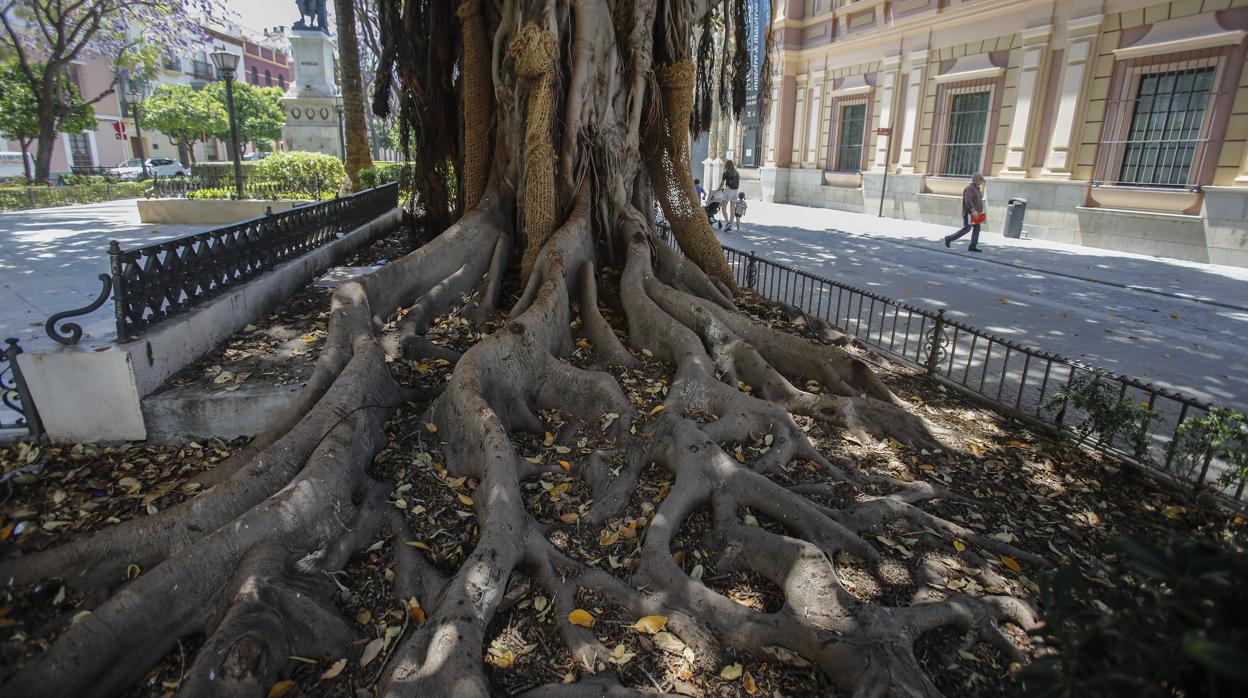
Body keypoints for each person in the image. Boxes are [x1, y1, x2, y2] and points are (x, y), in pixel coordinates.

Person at [944, 173, 985, 251]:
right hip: (970, 213)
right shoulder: (970, 188)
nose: (982, 181)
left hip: (977, 213)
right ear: (975, 180)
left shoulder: (977, 188)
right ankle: (949, 238)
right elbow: (968, 200)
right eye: (981, 179)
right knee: (967, 228)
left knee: (977, 228)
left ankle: (973, 246)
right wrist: (972, 210)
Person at [718, 160, 740, 228]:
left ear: (726, 165)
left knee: (723, 208)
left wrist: (718, 189)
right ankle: (730, 224)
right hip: (735, 191)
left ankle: (727, 223)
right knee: (732, 209)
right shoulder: (736, 173)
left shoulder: (726, 173)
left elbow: (722, 183)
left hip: (728, 190)